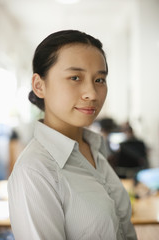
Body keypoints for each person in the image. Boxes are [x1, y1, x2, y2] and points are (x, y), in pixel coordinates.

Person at [8, 30, 137, 240]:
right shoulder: (35, 171)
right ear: (39, 86)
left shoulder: (93, 150)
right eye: (75, 77)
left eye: (99, 80)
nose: (92, 94)